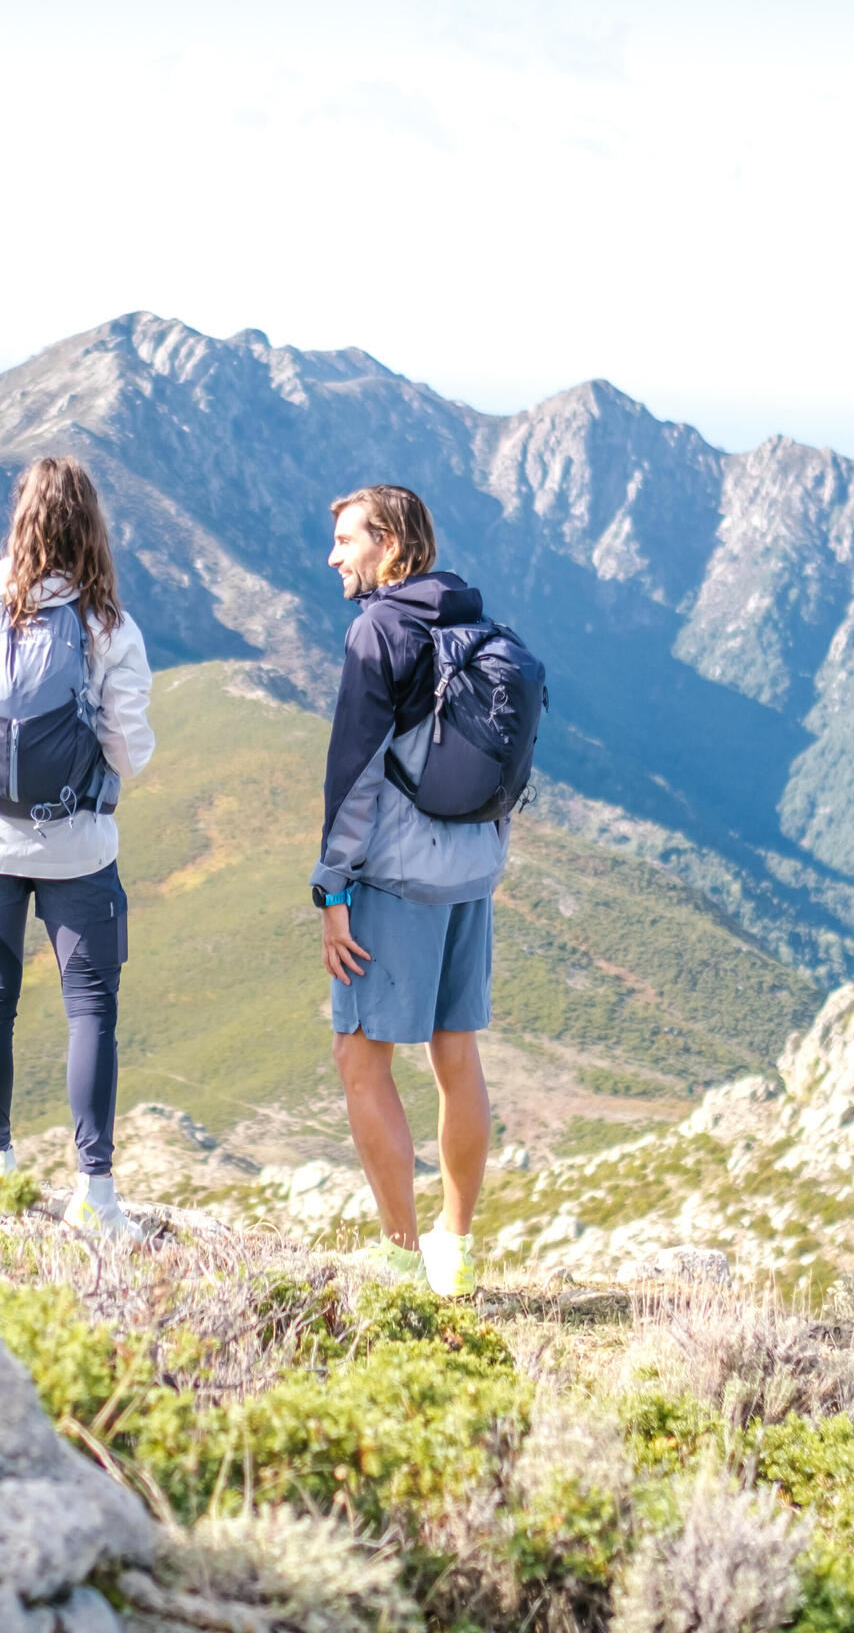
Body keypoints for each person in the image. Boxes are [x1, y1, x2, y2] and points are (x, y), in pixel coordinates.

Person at [0, 457, 155, 1238]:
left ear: (18, 521)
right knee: (90, 1009)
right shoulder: (108, 627)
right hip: (77, 848)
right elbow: (130, 755)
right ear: (92, 529)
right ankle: (96, 1192)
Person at [313, 484, 501, 1297]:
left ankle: (398, 1256)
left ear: (390, 546)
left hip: (396, 876)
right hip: (472, 872)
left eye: (348, 540)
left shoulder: (378, 630)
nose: (334, 557)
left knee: (361, 1056)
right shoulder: (475, 622)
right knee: (455, 1052)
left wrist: (332, 894)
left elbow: (353, 774)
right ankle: (455, 1248)